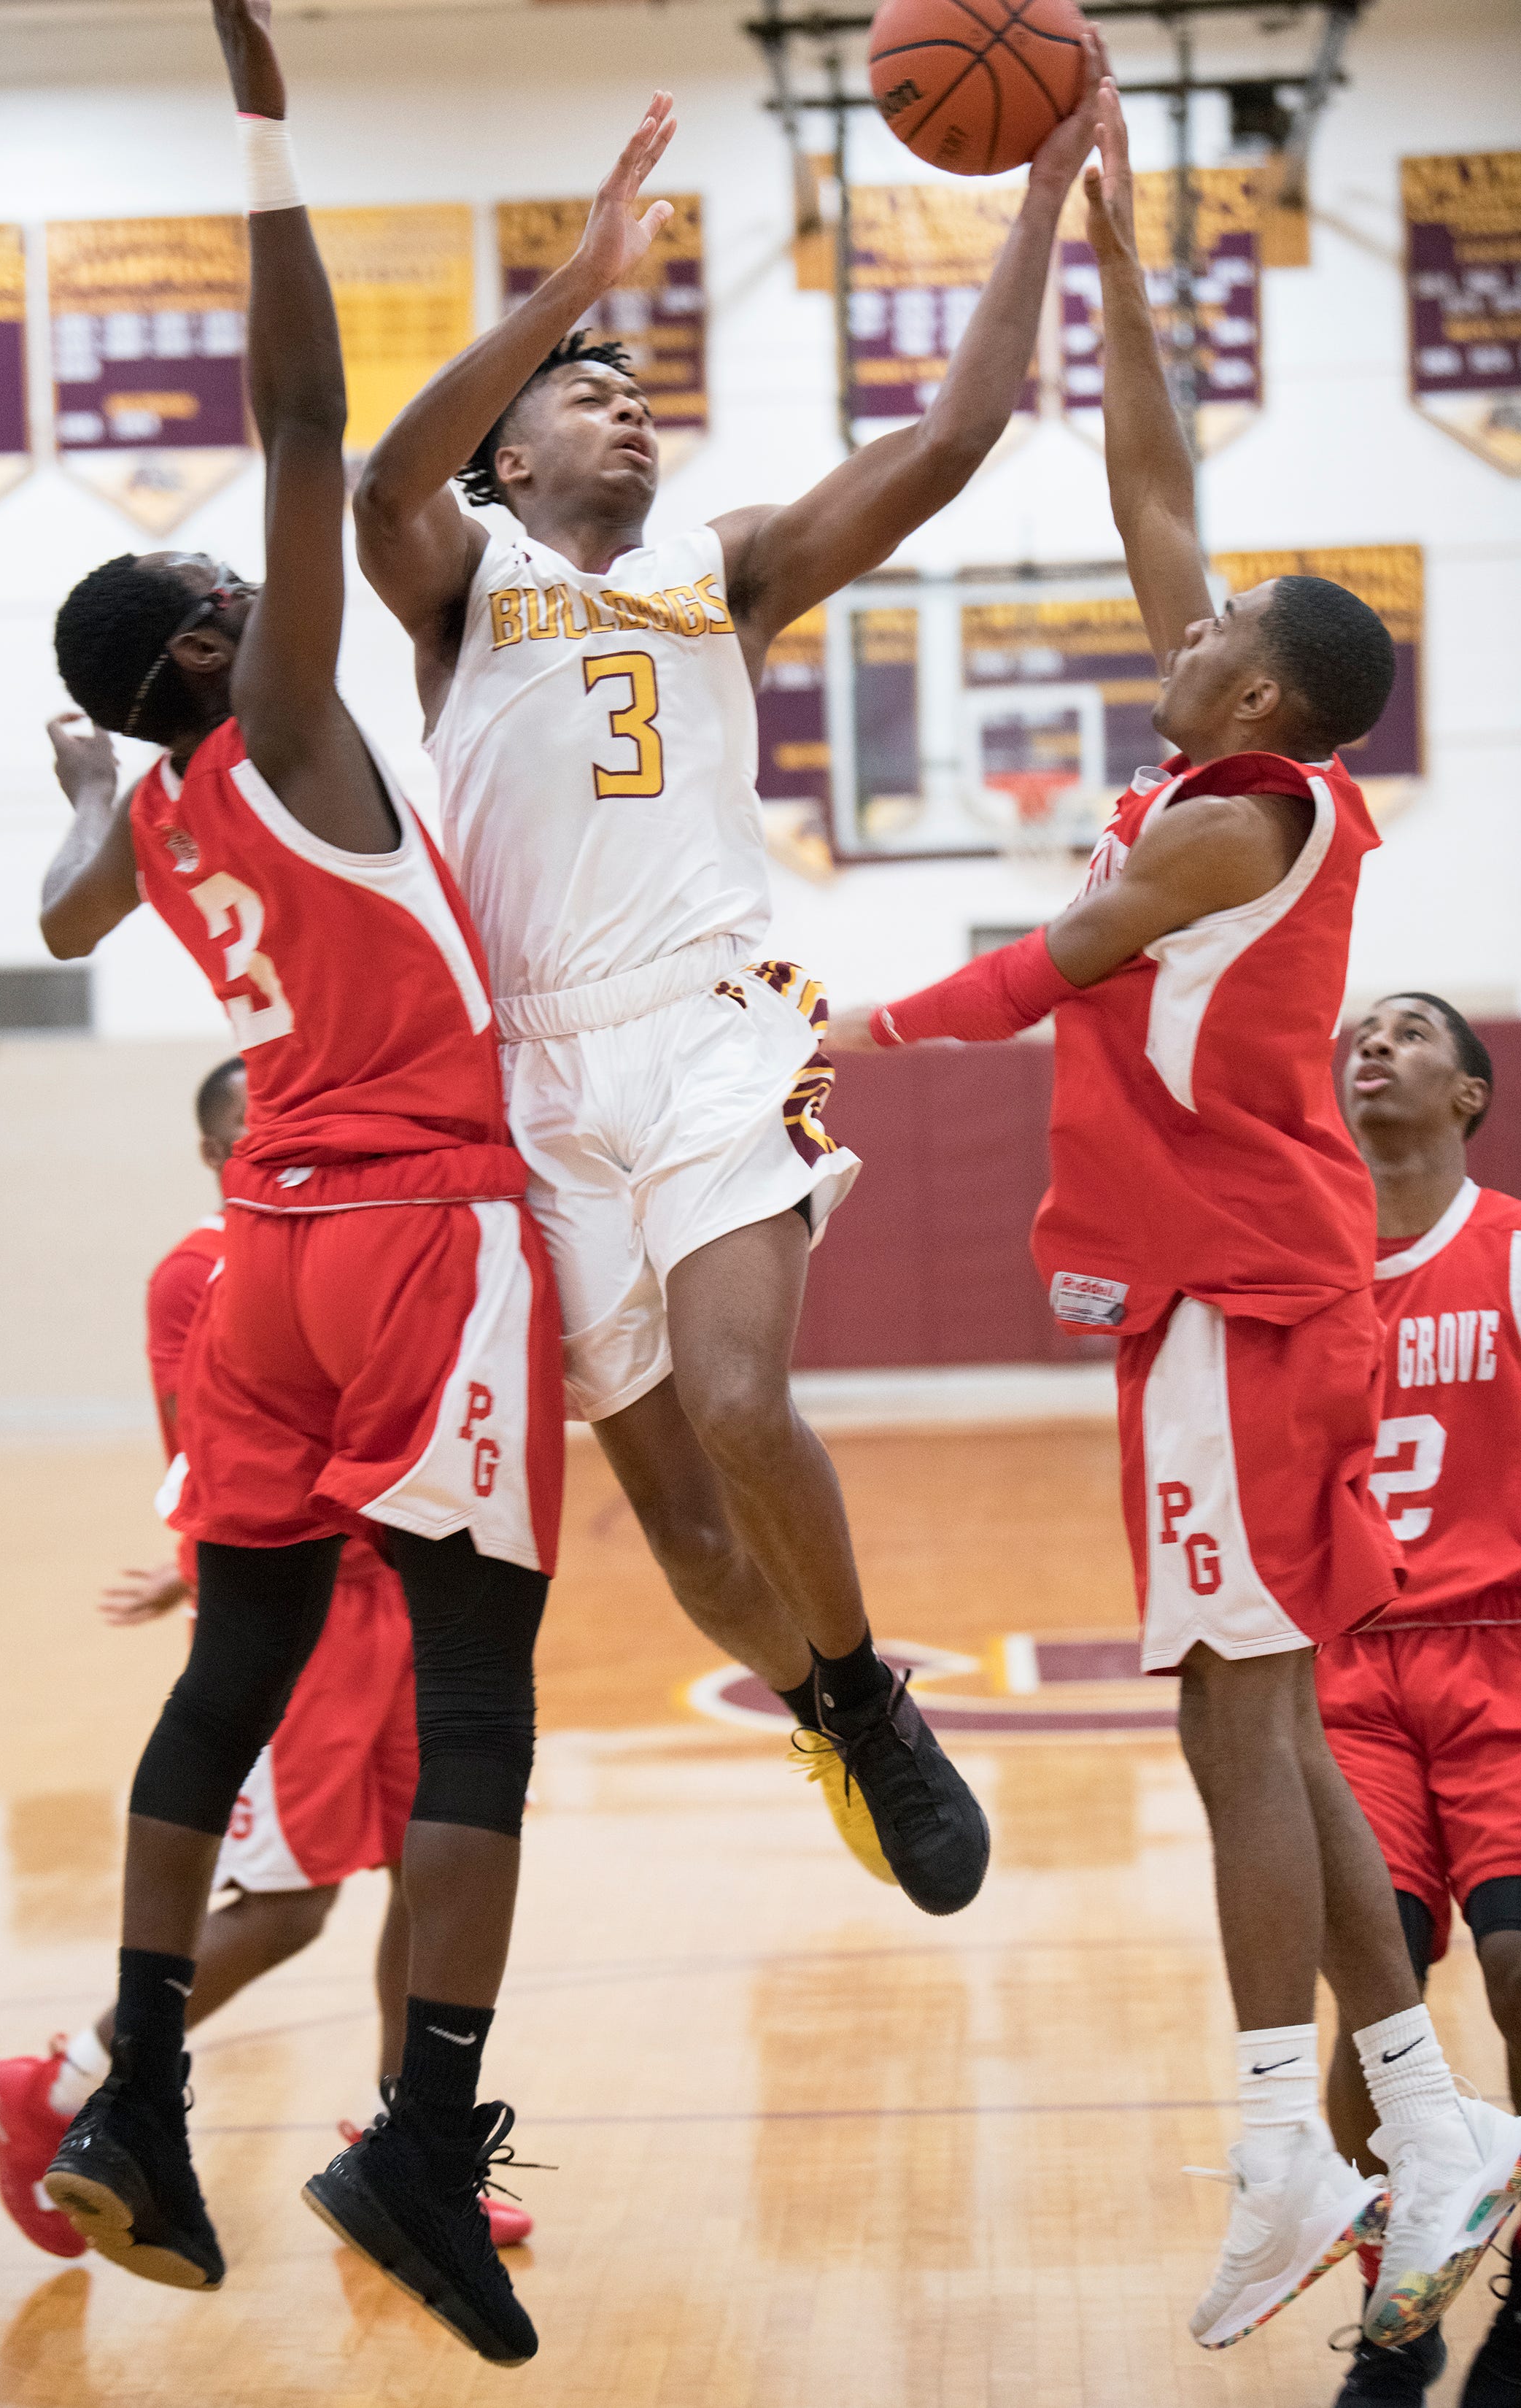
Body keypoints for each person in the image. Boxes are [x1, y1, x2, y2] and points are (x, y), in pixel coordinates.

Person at [824, 85, 1521, 2354]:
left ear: (1268, 695)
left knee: (1229, 1725)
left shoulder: (1246, 820)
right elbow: (1153, 479)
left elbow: (1045, 972)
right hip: (1249, 1301)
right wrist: (1114, 243)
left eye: (1219, 626)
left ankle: (1275, 2142)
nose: (1185, 613)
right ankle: (1421, 2116)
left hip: (1241, 1299)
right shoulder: (1226, 758)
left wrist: (836, 1018)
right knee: (1282, 1720)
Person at [351, 51, 1107, 1916]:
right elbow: (375, 475)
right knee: (675, 1512)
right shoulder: (456, 583)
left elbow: (948, 441)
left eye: (635, 395)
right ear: (507, 457)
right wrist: (570, 288)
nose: (626, 416)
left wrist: (1030, 202)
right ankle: (823, 1702)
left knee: (745, 1402)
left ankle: (868, 1698)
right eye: (586, 399)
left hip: (704, 1021)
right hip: (538, 1072)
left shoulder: (728, 569)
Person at [32, 0, 562, 2365]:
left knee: (236, 1672)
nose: (245, 587)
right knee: (477, 1686)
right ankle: (425, 2137)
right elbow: (315, 425)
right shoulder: (296, 727)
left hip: (267, 1258)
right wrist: (261, 125)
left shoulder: (147, 819)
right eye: (214, 589)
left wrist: (88, 763)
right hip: (424, 1231)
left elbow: (55, 918)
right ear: (214, 644)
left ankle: (132, 2098)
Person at [0, 1057, 533, 2264]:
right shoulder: (200, 1269)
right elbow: (217, 1443)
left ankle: (411, 2149)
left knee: (422, 1876)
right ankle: (55, 2089)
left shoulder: (389, 1226)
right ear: (225, 1151)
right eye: (253, 1131)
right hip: (304, 1612)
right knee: (288, 1907)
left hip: (405, 1595)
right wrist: (195, 1562)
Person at [1319, 995, 1521, 2408]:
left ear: (1466, 1093)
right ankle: (1399, 2316)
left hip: (1502, 1651)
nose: (1367, 1044)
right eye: (1352, 1033)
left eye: (1406, 1030)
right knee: (1373, 2009)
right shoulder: (1291, 1260)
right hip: (1344, 1677)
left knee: (1517, 1973)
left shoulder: (1507, 1250)